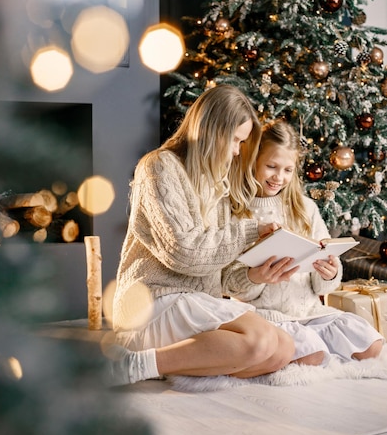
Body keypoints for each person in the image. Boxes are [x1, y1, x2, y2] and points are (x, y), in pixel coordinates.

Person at [108, 85, 296, 386]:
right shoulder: (158, 166)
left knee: (282, 349)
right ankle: (135, 363)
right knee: (258, 341)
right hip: (152, 301)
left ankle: (171, 362)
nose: (237, 151)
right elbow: (183, 252)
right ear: (212, 132)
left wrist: (256, 276)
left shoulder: (217, 182)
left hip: (194, 302)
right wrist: (249, 230)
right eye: (235, 140)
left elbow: (222, 279)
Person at [234, 119, 384, 366]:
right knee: (310, 354)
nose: (279, 177)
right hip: (267, 316)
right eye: (271, 166)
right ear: (253, 161)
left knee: (371, 345)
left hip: (310, 312)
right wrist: (257, 277)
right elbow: (232, 285)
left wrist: (329, 273)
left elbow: (324, 286)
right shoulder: (239, 211)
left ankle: (312, 346)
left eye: (287, 169)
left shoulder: (305, 208)